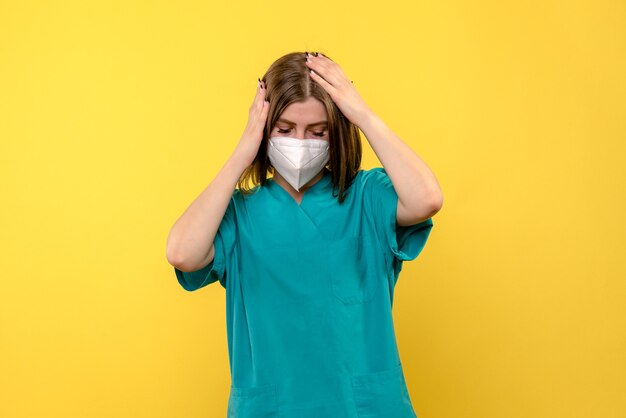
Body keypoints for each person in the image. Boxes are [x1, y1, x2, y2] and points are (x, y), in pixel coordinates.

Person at [166, 51, 443, 418]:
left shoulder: (365, 198)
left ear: (336, 131)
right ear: (264, 130)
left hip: (363, 407)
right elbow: (182, 253)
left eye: (318, 132)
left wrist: (361, 113)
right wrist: (240, 155)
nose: (301, 143)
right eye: (284, 129)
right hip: (272, 407)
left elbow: (427, 198)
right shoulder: (239, 214)